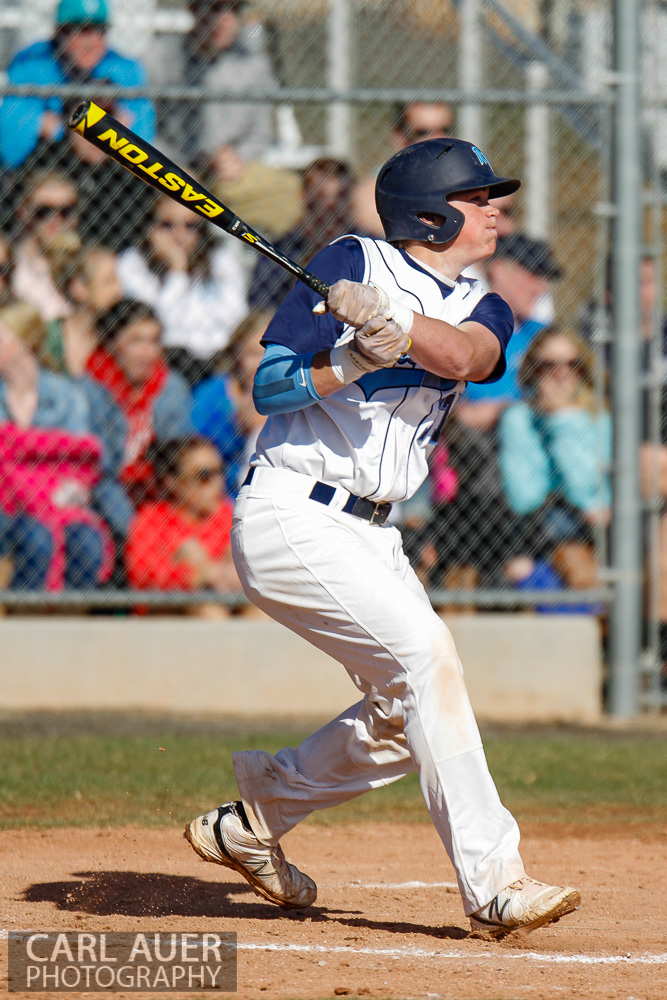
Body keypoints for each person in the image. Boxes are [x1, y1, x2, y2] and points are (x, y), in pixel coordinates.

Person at [183, 138, 581, 935]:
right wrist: (346, 362)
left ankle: (253, 817)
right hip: (292, 512)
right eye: (477, 198)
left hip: (374, 532)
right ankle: (495, 883)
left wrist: (394, 322)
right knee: (428, 661)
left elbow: (469, 354)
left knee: (407, 715)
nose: (494, 208)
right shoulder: (349, 257)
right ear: (429, 216)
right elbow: (268, 387)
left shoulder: (483, 298)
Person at [0, 300, 112, 590]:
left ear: (24, 344)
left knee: (87, 543)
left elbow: (79, 461)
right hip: (7, 505)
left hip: (55, 500)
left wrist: (16, 446)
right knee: (36, 539)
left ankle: (72, 629)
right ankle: (26, 628)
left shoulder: (66, 396)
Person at [498, 327, 611, 604]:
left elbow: (592, 496)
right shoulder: (519, 419)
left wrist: (562, 421)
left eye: (572, 365)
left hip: (592, 527)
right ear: (533, 370)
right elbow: (524, 498)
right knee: (522, 564)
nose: (562, 375)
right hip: (536, 528)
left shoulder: (598, 417)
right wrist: (553, 419)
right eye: (549, 366)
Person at [80, 299, 193, 542]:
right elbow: (101, 477)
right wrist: (140, 535)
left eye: (154, 341)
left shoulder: (170, 388)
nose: (148, 353)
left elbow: (180, 464)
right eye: (136, 341)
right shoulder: (89, 393)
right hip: (104, 508)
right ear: (111, 344)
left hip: (158, 503)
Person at [0, 0, 156, 172]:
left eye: (99, 30)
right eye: (80, 30)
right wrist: (82, 132)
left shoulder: (123, 67)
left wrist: (59, 126)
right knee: (54, 194)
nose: (90, 42)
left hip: (112, 171)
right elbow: (11, 143)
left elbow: (143, 133)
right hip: (49, 164)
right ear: (60, 32)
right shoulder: (32, 62)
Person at [117, 194, 248, 385]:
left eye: (190, 226)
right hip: (168, 361)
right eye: (167, 225)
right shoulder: (133, 263)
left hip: (220, 361)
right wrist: (177, 271)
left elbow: (237, 318)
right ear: (150, 226)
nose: (179, 236)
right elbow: (160, 327)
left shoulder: (219, 259)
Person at [125, 436, 240, 610]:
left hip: (230, 604)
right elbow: (142, 576)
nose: (218, 483)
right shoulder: (151, 519)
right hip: (170, 612)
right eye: (204, 476)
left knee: (261, 611)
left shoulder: (229, 514)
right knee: (206, 609)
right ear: (173, 483)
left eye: (220, 472)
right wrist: (195, 575)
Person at [248, 159, 357, 314]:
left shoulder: (365, 247)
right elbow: (261, 311)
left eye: (340, 196)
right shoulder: (281, 252)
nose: (329, 206)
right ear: (303, 197)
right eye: (320, 197)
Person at [191, 310, 269, 494]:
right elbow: (194, 450)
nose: (262, 363)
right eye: (253, 354)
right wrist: (237, 428)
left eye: (270, 353)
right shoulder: (210, 396)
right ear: (236, 355)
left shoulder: (294, 398)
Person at [352, 100, 455, 237]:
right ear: (400, 138)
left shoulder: (470, 186)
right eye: (423, 132)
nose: (438, 138)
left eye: (444, 130)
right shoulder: (372, 194)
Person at [11, 170, 80, 323]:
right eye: (44, 211)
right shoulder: (10, 265)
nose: (55, 219)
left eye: (66, 211)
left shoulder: (87, 264)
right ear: (23, 212)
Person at [46, 243, 123, 376]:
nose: (119, 291)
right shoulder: (49, 338)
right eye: (109, 281)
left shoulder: (119, 338)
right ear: (78, 288)